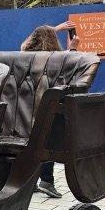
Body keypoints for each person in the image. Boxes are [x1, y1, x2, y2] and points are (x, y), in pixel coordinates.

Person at [21, 21, 79, 198]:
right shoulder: (57, 58)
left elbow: (34, 37)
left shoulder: (24, 54)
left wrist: (55, 29)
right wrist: (74, 48)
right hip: (47, 106)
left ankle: (30, 181)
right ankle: (47, 180)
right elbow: (71, 71)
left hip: (26, 107)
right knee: (49, 140)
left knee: (33, 142)